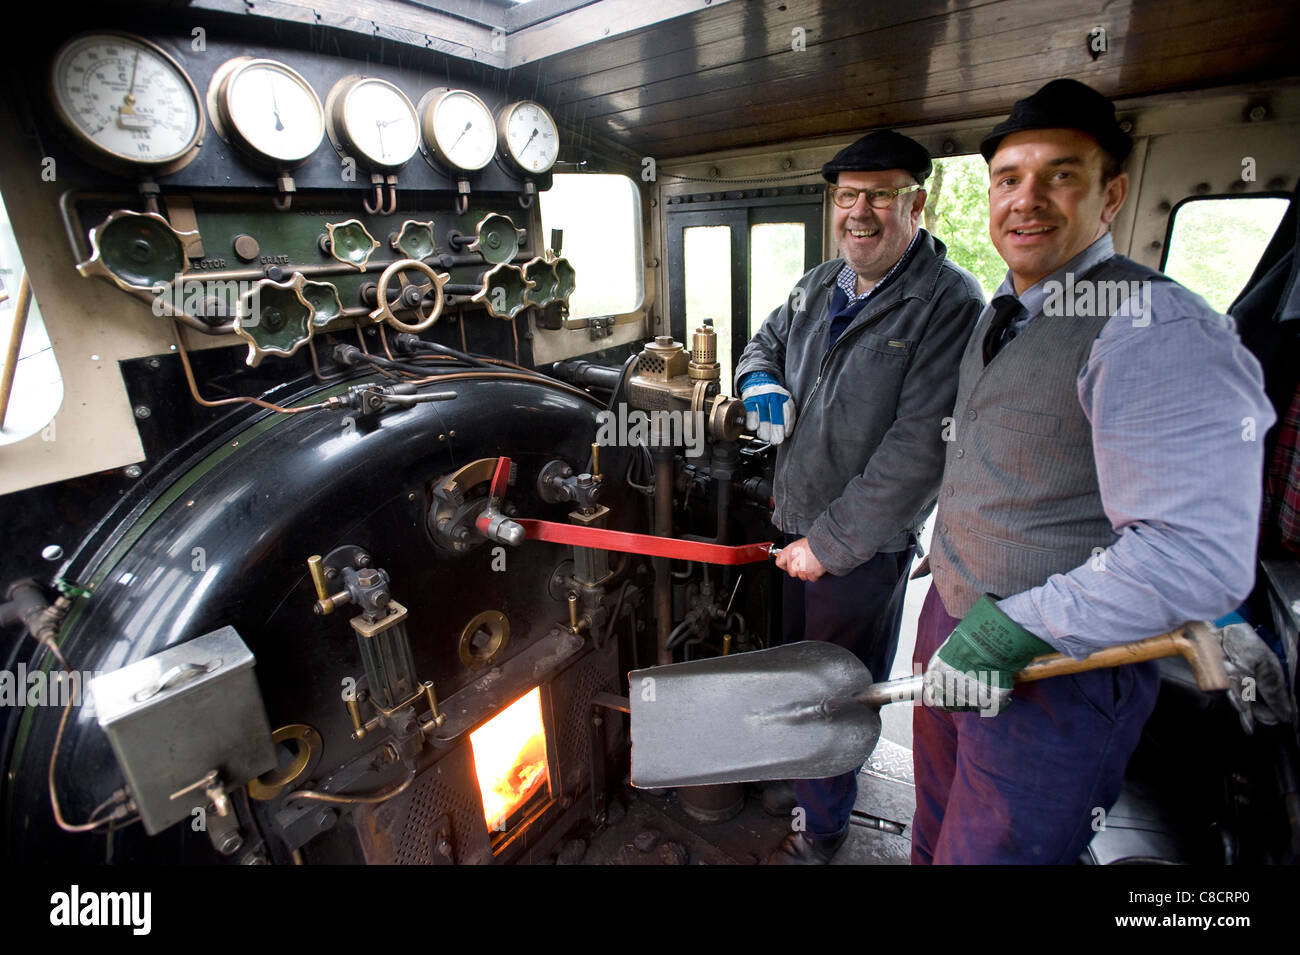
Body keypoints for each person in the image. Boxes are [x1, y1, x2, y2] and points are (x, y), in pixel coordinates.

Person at [913, 79, 1277, 864]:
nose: (1028, 199)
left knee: (996, 853)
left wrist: (1016, 626)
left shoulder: (1157, 329)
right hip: (952, 620)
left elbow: (1196, 557)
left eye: (1061, 175)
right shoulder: (1002, 312)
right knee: (936, 822)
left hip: (1058, 667)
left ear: (1111, 196)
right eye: (1009, 178)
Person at [734, 129, 985, 864]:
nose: (860, 211)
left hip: (859, 545)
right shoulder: (819, 284)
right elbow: (764, 342)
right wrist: (758, 379)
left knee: (839, 686)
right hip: (791, 521)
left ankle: (826, 823)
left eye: (880, 194)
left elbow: (918, 450)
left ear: (918, 203)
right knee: (791, 668)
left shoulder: (948, 302)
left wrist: (832, 544)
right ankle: (797, 773)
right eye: (848, 195)